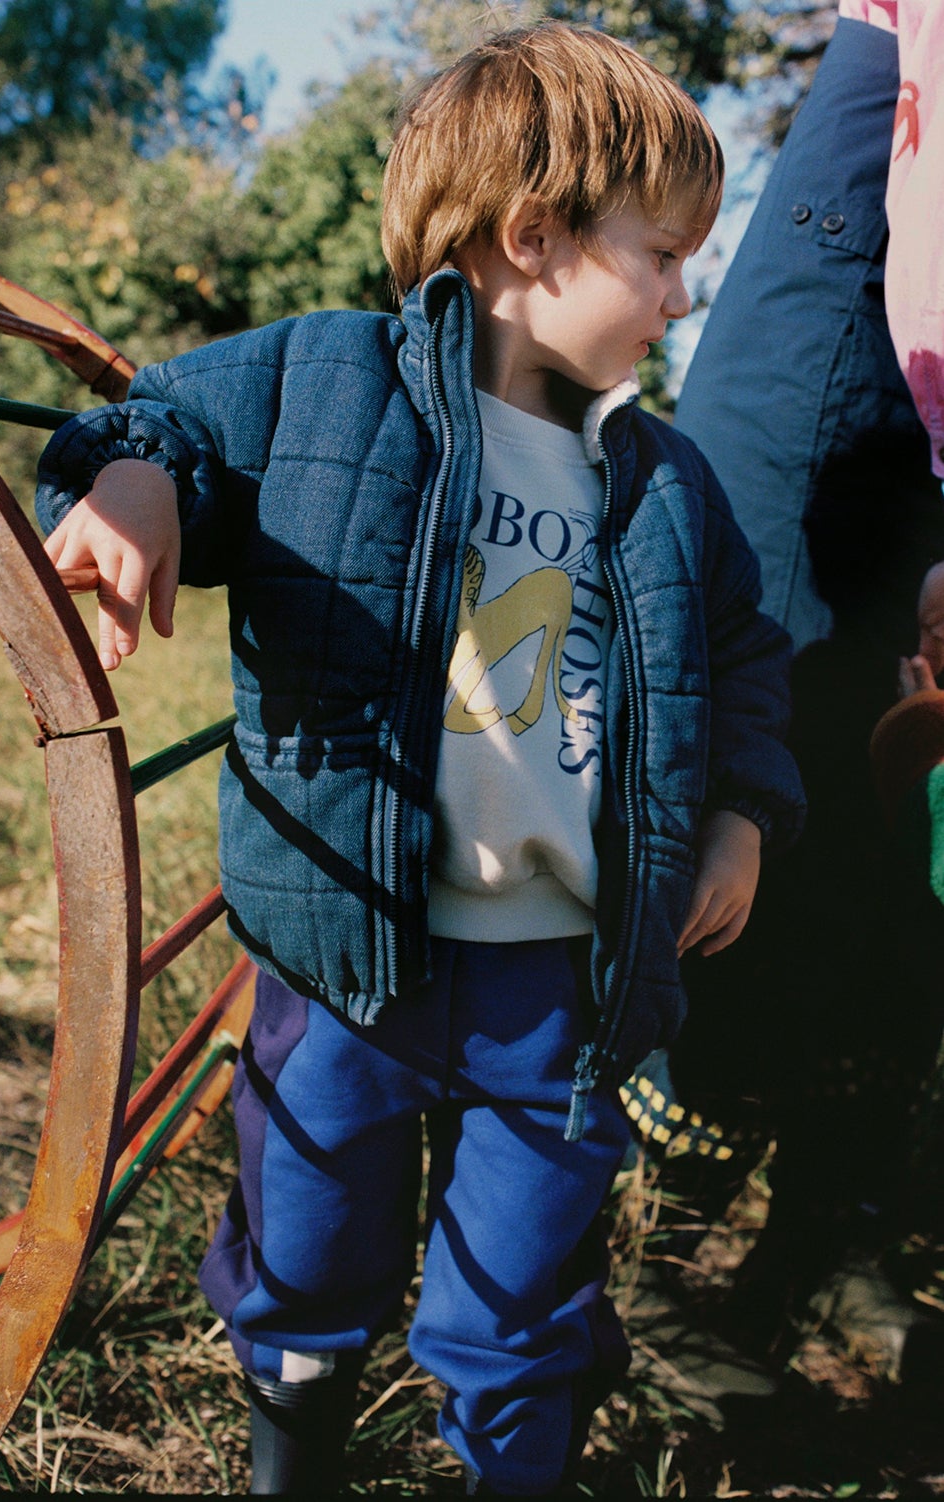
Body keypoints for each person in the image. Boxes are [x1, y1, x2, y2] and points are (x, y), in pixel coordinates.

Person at [35, 23, 804, 1495]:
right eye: (659, 252)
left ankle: (511, 1459)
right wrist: (133, 484)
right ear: (532, 237)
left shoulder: (661, 479)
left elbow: (742, 657)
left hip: (559, 980)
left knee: (520, 1288)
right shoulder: (324, 380)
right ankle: (295, 1451)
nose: (679, 291)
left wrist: (743, 812)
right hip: (344, 966)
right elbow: (158, 421)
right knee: (308, 1234)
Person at [668, 0, 944, 1377]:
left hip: (927, 361)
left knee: (912, 794)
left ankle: (829, 1234)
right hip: (870, 265)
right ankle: (649, 1254)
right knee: (764, 723)